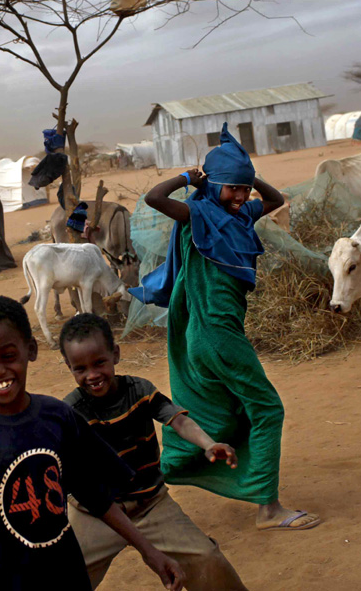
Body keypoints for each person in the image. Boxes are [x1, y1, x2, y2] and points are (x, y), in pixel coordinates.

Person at [132, 122, 320, 532]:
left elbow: (274, 198)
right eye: (231, 188)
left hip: (212, 339)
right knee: (268, 409)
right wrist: (189, 178)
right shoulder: (196, 214)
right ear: (212, 185)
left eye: (243, 189)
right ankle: (268, 510)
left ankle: (148, 485)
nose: (239, 197)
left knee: (223, 412)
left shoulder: (242, 213)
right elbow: (153, 197)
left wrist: (246, 176)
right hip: (218, 337)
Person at [0, 296, 185, 591]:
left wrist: (148, 550)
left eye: (8, 356)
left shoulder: (58, 417)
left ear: (31, 350)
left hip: (67, 578)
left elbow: (96, 496)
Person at [60, 313, 248, 590]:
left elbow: (179, 420)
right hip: (96, 512)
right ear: (69, 367)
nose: (92, 375)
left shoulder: (140, 391)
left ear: (115, 354)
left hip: (150, 502)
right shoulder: (70, 411)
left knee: (207, 558)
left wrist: (208, 444)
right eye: (80, 369)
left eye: (99, 363)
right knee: (63, 577)